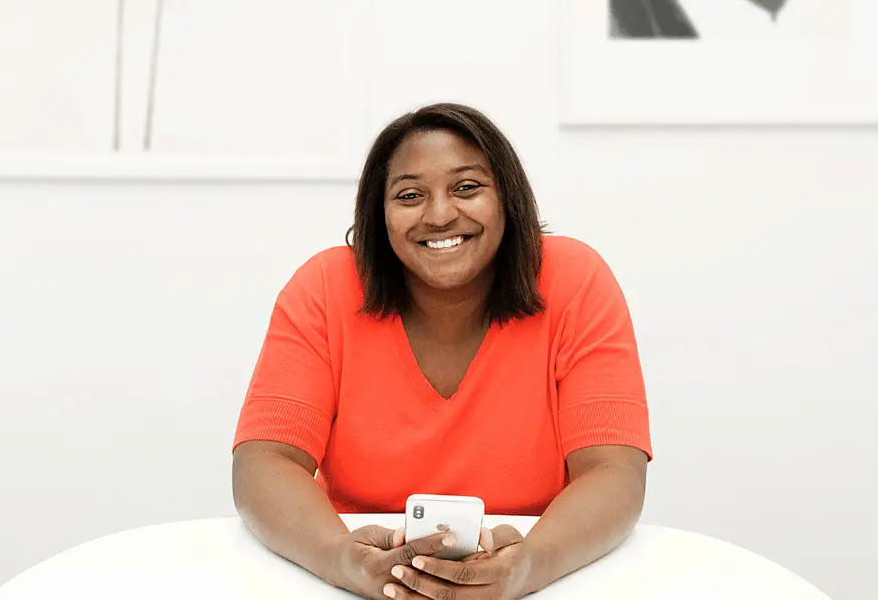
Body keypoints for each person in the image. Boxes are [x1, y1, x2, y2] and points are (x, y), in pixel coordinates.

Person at [231, 103, 652, 600]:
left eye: (467, 187)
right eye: (410, 195)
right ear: (379, 214)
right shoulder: (324, 287)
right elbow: (264, 461)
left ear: (508, 198)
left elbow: (614, 470)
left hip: (544, 576)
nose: (439, 214)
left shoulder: (576, 280)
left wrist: (527, 568)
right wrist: (342, 561)